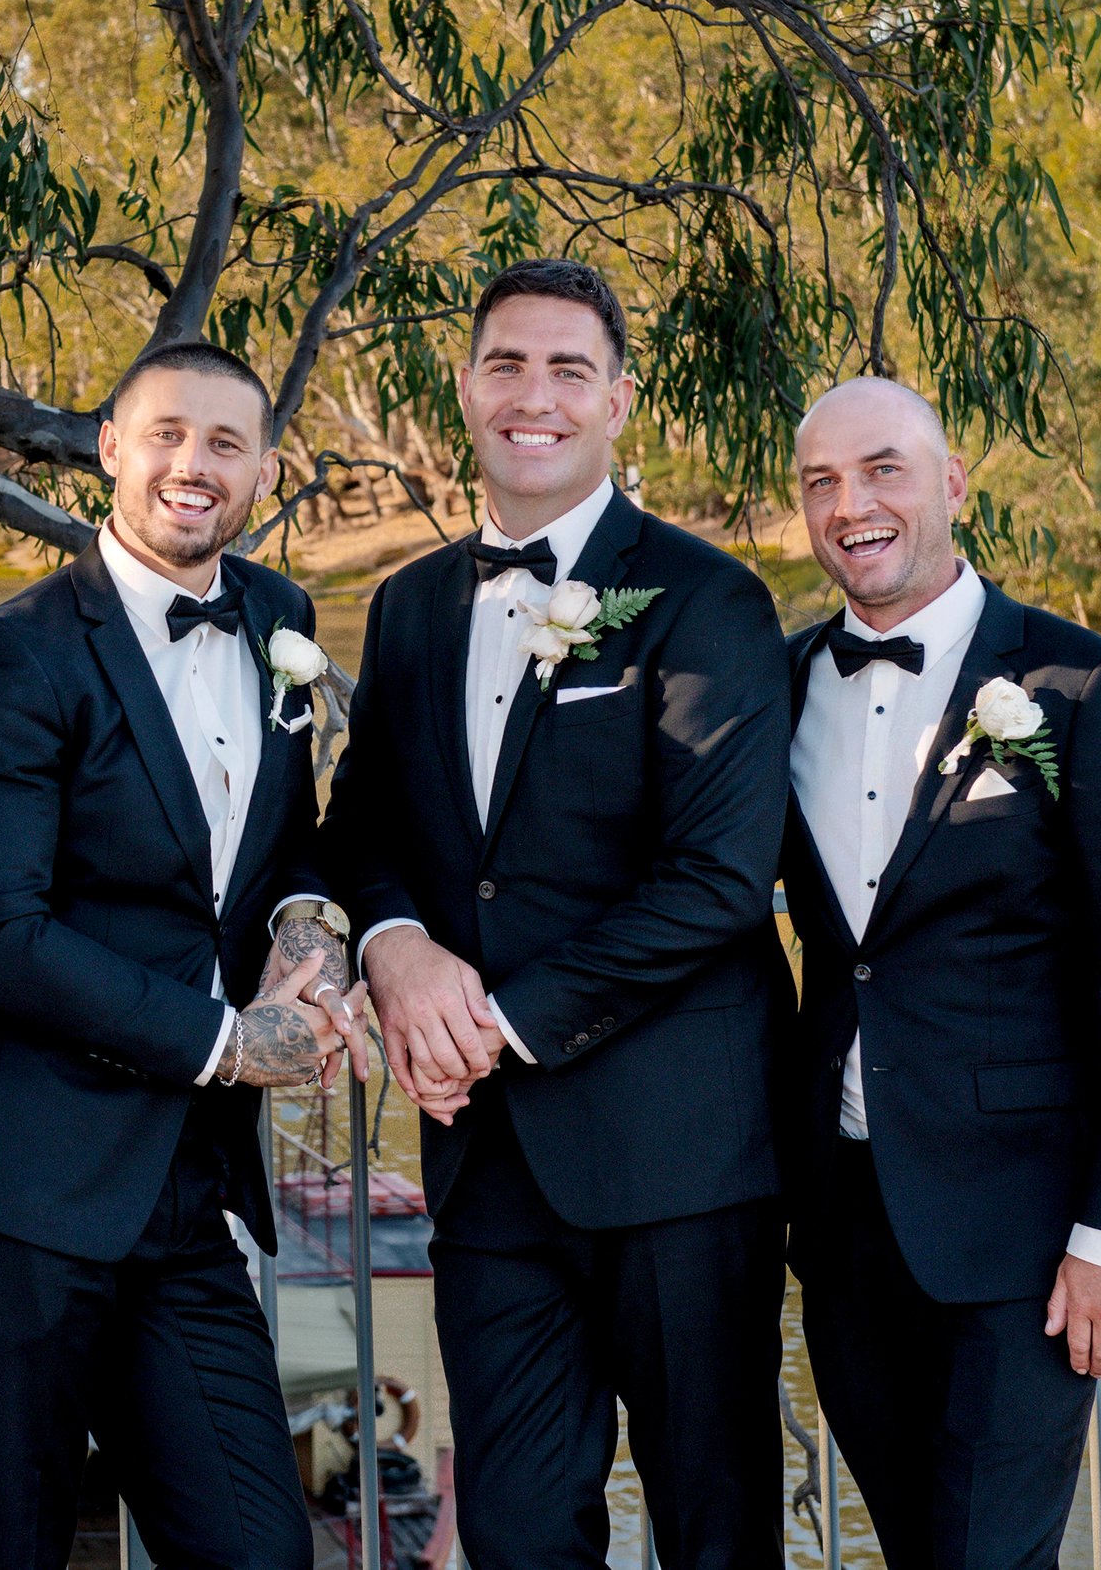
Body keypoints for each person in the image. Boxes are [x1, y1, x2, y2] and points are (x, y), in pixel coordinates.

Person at [323, 259, 792, 1567]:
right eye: (507, 365)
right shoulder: (409, 606)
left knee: (714, 1532)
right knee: (518, 1532)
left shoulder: (709, 600)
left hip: (679, 1161)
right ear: (466, 388)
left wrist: (493, 1024)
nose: (535, 396)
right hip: (488, 1173)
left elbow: (717, 877)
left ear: (618, 402)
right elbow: (362, 827)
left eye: (568, 369)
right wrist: (393, 946)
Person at [0, 342, 360, 1569]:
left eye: (225, 443)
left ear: (263, 469)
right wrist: (232, 1042)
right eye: (166, 434)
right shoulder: (12, 653)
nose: (193, 465)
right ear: (108, 448)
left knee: (259, 1548)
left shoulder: (279, 616)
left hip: (185, 1186)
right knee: (4, 1544)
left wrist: (307, 924)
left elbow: (276, 844)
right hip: (18, 1180)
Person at [778, 376, 1101, 1569]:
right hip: (845, 1218)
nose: (851, 504)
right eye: (820, 482)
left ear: (954, 484)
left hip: (1028, 1227)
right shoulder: (779, 682)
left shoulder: (1082, 684)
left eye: (883, 469)